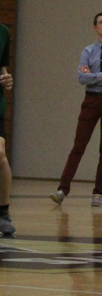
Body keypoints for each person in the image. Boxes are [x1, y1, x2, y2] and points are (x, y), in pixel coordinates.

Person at [50, 11, 102, 207]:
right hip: (91, 100)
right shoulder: (87, 52)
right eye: (101, 22)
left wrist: (96, 75)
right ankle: (62, 190)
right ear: (95, 27)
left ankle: (98, 193)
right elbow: (81, 78)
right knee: (79, 146)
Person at [0, 23, 14, 235]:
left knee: (1, 155)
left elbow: (3, 69)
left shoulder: (3, 32)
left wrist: (7, 79)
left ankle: (3, 213)